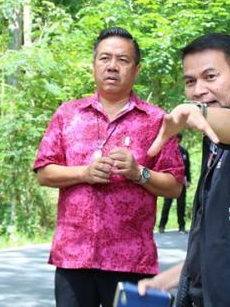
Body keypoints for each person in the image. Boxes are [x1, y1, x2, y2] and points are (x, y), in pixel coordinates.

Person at [33, 27, 185, 307]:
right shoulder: (68, 114)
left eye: (123, 60)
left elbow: (175, 186)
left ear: (136, 69)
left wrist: (138, 173)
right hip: (74, 257)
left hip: (132, 260)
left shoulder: (156, 120)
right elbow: (44, 172)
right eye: (105, 58)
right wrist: (84, 173)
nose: (112, 66)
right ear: (94, 65)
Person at [138, 33, 230, 306]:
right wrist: (163, 281)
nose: (198, 91)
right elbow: (218, 246)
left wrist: (201, 113)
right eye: (190, 81)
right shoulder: (213, 142)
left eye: (210, 76)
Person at [158, 133, 191, 234]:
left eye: (178, 139)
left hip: (181, 182)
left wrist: (188, 180)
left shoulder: (184, 152)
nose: (176, 141)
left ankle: (182, 227)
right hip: (170, 181)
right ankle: (161, 226)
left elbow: (187, 168)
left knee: (181, 205)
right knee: (167, 204)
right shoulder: (168, 151)